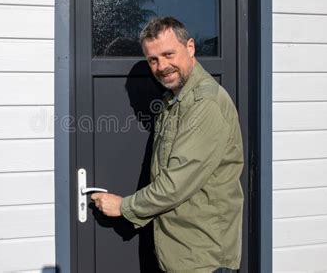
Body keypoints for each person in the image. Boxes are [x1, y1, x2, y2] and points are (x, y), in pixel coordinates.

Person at [92, 17, 244, 273]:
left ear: (191, 47)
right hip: (179, 255)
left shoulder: (205, 105)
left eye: (168, 54)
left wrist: (123, 206)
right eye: (153, 59)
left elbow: (175, 185)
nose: (162, 66)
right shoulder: (174, 101)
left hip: (203, 260)